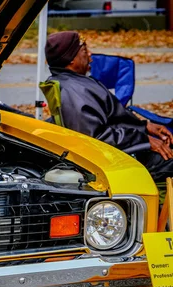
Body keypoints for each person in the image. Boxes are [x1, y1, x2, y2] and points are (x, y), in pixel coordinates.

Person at [44, 30, 173, 183]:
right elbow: (95, 139)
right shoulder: (73, 93)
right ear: (70, 59)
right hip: (122, 158)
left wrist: (144, 127)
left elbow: (110, 119)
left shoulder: (74, 83)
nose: (90, 57)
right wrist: (144, 141)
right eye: (85, 51)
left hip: (127, 146)